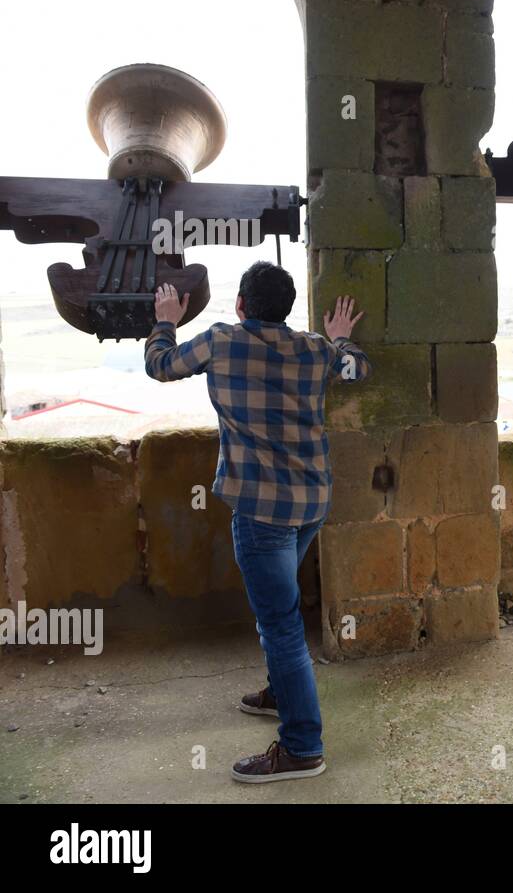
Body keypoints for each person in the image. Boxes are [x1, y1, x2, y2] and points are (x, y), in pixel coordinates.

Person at [145, 261, 371, 783]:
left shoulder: (221, 341)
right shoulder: (315, 349)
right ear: (287, 310)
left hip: (260, 511)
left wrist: (165, 320)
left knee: (281, 623)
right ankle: (281, 693)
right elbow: (358, 369)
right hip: (311, 503)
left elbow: (160, 365)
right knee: (281, 608)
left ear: (242, 305)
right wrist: (340, 339)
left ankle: (302, 748)